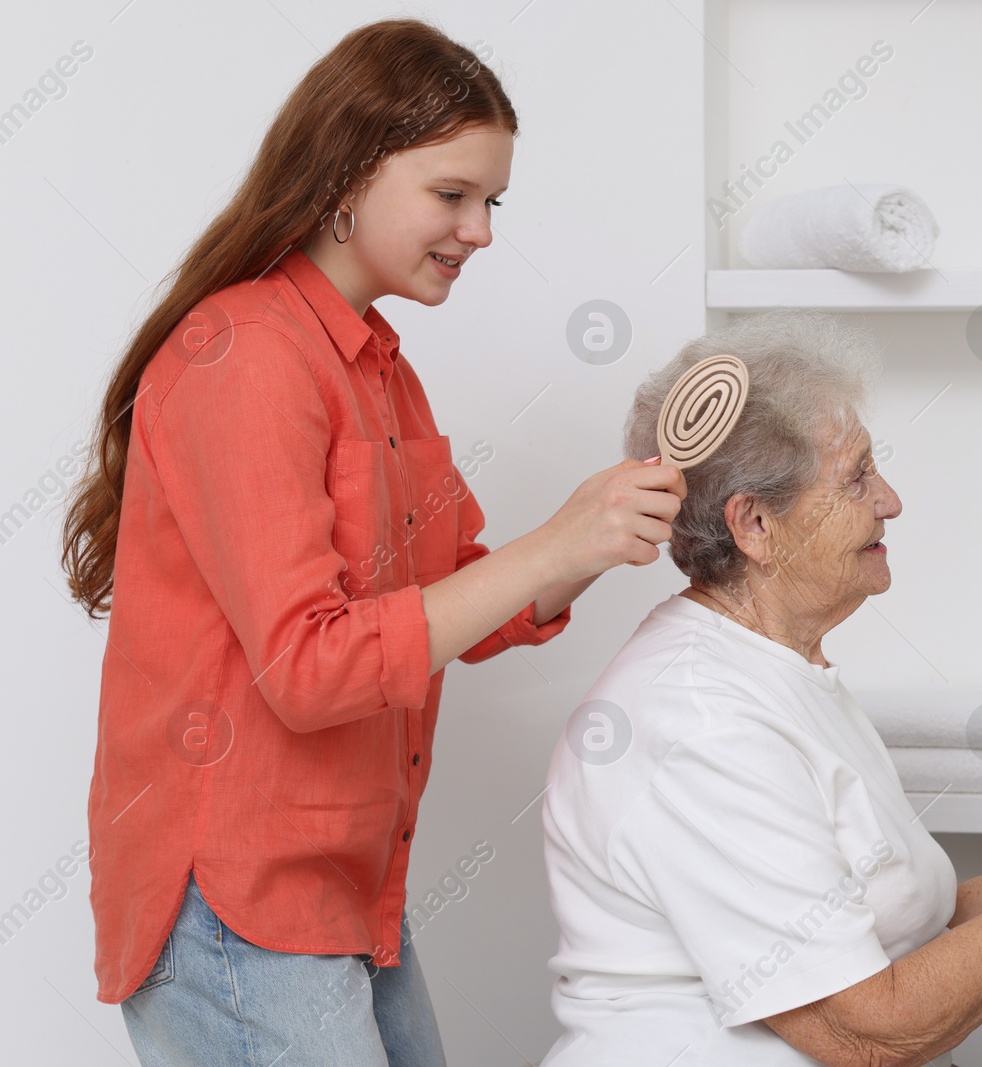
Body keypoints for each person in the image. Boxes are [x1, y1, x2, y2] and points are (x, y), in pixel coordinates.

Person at [59, 18, 684, 1066]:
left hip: (340, 886)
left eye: (491, 201)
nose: (480, 230)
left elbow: (452, 601)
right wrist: (549, 544)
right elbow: (310, 667)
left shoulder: (380, 370)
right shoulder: (248, 357)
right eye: (452, 195)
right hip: (236, 897)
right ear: (346, 175)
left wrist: (586, 538)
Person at [539, 309, 982, 1066]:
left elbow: (901, 934)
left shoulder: (781, 667)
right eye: (857, 477)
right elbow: (864, 1029)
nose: (891, 499)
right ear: (755, 525)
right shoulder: (698, 721)